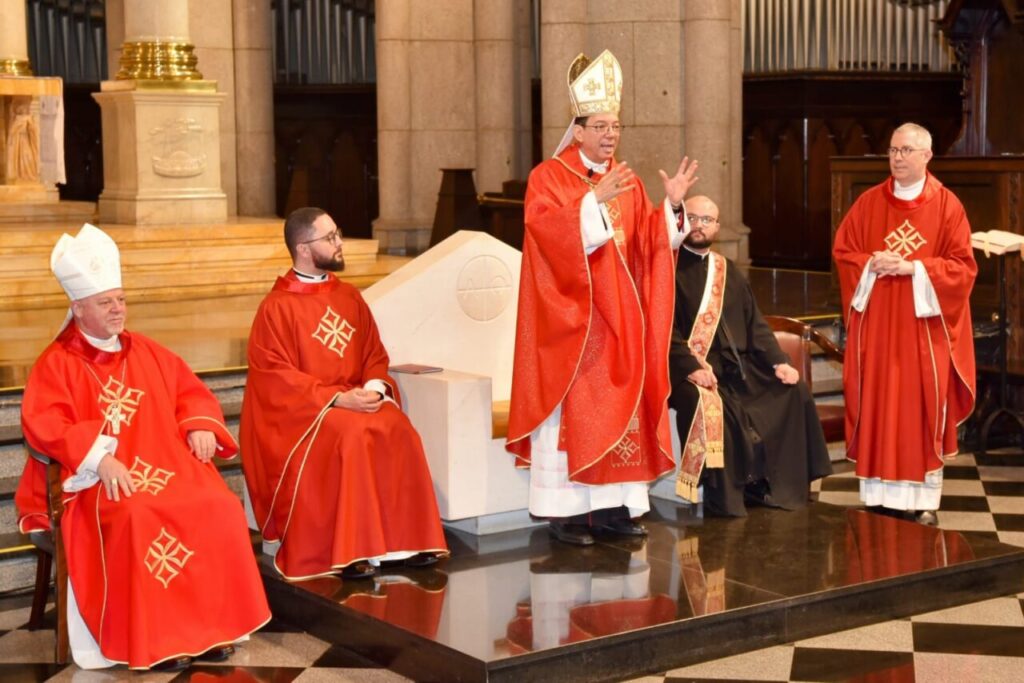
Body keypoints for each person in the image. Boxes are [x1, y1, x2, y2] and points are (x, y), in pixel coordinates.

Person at [16, 224, 270, 671]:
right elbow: (44, 424)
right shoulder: (55, 365)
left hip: (163, 464)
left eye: (120, 300)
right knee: (137, 515)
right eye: (104, 303)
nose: (117, 310)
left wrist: (198, 425)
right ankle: (158, 639)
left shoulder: (147, 352)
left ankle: (208, 629)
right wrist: (99, 456)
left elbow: (188, 391)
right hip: (94, 482)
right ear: (78, 308)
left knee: (218, 506)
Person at [505, 49, 699, 546]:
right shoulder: (547, 178)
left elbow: (647, 244)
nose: (611, 134)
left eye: (616, 126)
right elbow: (544, 236)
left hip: (622, 319)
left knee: (622, 410)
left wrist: (672, 208)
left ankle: (615, 507)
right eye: (601, 125)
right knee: (578, 413)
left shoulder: (629, 180)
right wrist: (591, 204)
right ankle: (567, 513)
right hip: (572, 323)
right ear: (578, 129)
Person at [241, 207, 448, 581]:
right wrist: (335, 399)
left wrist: (371, 388)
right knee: (351, 435)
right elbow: (274, 378)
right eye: (330, 238)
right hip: (308, 416)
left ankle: (407, 542)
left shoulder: (349, 296)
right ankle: (351, 551)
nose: (340, 244)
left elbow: (373, 352)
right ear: (304, 248)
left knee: (398, 427)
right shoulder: (277, 307)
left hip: (355, 398)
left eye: (338, 234)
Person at [833, 122, 976, 526]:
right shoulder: (868, 203)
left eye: (907, 151)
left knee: (917, 406)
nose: (898, 158)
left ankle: (921, 499)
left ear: (927, 155)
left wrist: (912, 267)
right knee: (879, 403)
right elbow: (844, 251)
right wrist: (870, 264)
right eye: (894, 150)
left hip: (922, 333)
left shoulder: (948, 206)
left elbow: (963, 268)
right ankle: (877, 495)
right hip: (878, 328)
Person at [668, 195, 832, 516]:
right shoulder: (666, 268)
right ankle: (726, 499)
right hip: (689, 369)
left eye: (707, 220)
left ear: (717, 226)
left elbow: (755, 324)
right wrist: (689, 366)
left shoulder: (726, 269)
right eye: (693, 218)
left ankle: (773, 484)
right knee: (713, 408)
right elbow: (662, 329)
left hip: (738, 368)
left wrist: (779, 361)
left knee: (791, 391)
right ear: (680, 221)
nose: (699, 225)